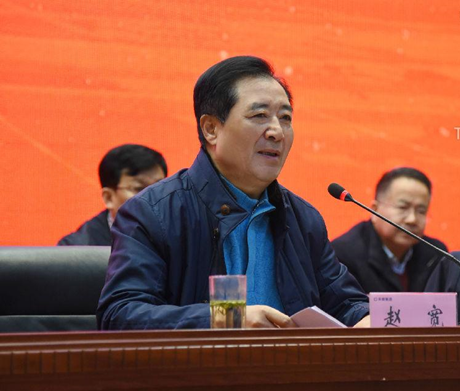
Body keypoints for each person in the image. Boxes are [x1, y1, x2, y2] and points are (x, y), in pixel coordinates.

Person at [97, 56, 370, 330]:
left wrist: (369, 319)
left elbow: (345, 304)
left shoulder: (302, 219)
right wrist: (228, 319)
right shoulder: (153, 213)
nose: (277, 131)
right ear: (211, 129)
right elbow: (120, 315)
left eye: (285, 118)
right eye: (259, 116)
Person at [332, 167, 448, 293]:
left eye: (421, 211)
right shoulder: (344, 255)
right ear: (375, 210)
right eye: (403, 207)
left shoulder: (437, 254)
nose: (412, 219)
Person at [58, 144, 167, 246]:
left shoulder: (175, 235)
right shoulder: (75, 250)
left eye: (159, 187)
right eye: (139, 189)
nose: (153, 197)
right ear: (108, 198)